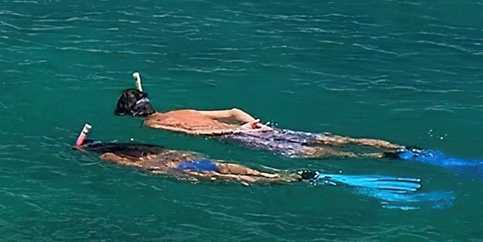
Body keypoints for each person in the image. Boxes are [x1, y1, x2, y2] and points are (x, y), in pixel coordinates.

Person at [113, 82, 406, 160]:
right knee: (320, 137)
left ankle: (379, 156)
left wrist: (237, 132)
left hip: (236, 136)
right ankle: (390, 146)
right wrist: (253, 124)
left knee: (305, 151)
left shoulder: (151, 125)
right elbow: (234, 109)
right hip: (252, 128)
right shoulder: (185, 110)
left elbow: (197, 136)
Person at [74, 124, 308, 184]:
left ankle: (279, 181)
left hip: (175, 168)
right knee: (227, 168)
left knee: (229, 179)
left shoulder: (109, 157)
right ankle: (276, 174)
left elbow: (138, 167)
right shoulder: (141, 147)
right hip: (189, 159)